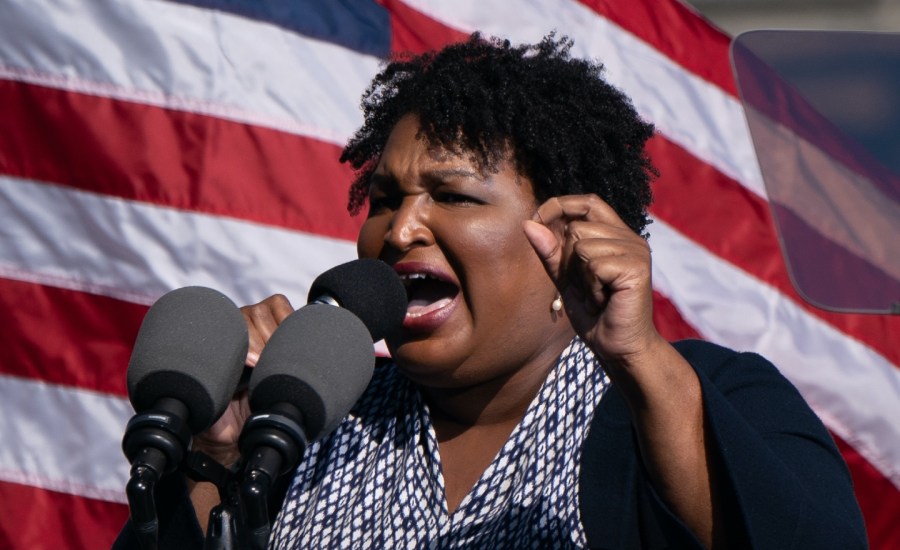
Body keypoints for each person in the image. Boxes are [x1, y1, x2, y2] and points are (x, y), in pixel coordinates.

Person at [114, 33, 867, 549]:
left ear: (568, 236)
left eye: (456, 197)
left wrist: (639, 359)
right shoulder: (311, 420)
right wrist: (218, 456)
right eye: (383, 198)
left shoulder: (709, 393)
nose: (403, 227)